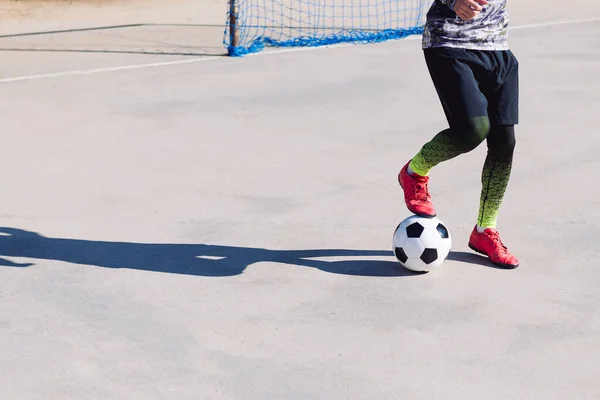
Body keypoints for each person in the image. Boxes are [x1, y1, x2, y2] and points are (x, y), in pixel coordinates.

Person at [398, 0, 520, 268]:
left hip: (497, 45)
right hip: (449, 41)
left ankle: (485, 231)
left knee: (504, 143)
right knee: (472, 130)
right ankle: (415, 170)